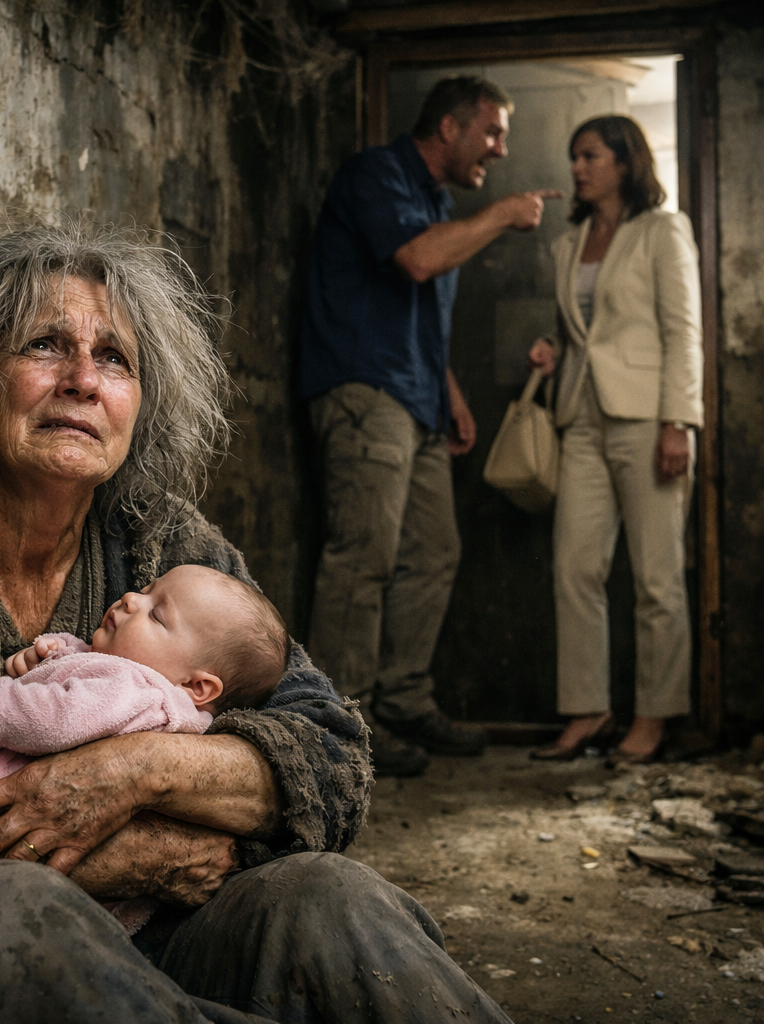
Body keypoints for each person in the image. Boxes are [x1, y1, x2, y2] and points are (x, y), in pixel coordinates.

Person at [0, 225, 512, 1023]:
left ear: (139, 407)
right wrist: (131, 856)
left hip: (140, 949)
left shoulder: (158, 539)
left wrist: (134, 772)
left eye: (114, 358)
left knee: (327, 897)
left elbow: (334, 760)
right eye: (44, 345)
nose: (82, 380)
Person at [300, 75, 560, 776]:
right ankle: (339, 724)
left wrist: (451, 394)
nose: (501, 149)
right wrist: (504, 215)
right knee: (363, 558)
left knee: (434, 552)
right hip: (365, 392)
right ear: (449, 127)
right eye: (494, 131)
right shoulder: (376, 174)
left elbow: (417, 309)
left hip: (417, 399)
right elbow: (416, 260)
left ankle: (403, 699)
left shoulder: (440, 203)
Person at [0, 564, 288, 934]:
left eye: (156, 615)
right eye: (146, 589)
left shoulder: (139, 692)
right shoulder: (150, 696)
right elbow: (92, 686)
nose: (130, 599)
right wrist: (58, 654)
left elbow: (54, 719)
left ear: (198, 687)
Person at [527, 115, 702, 765]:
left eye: (591, 155)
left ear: (625, 162)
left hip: (648, 417)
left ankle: (652, 717)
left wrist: (679, 420)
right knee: (575, 569)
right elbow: (581, 331)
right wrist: (552, 347)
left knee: (657, 577)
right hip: (581, 417)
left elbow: (683, 332)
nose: (578, 167)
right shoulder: (568, 242)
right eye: (574, 156)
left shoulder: (663, 231)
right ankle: (588, 709)